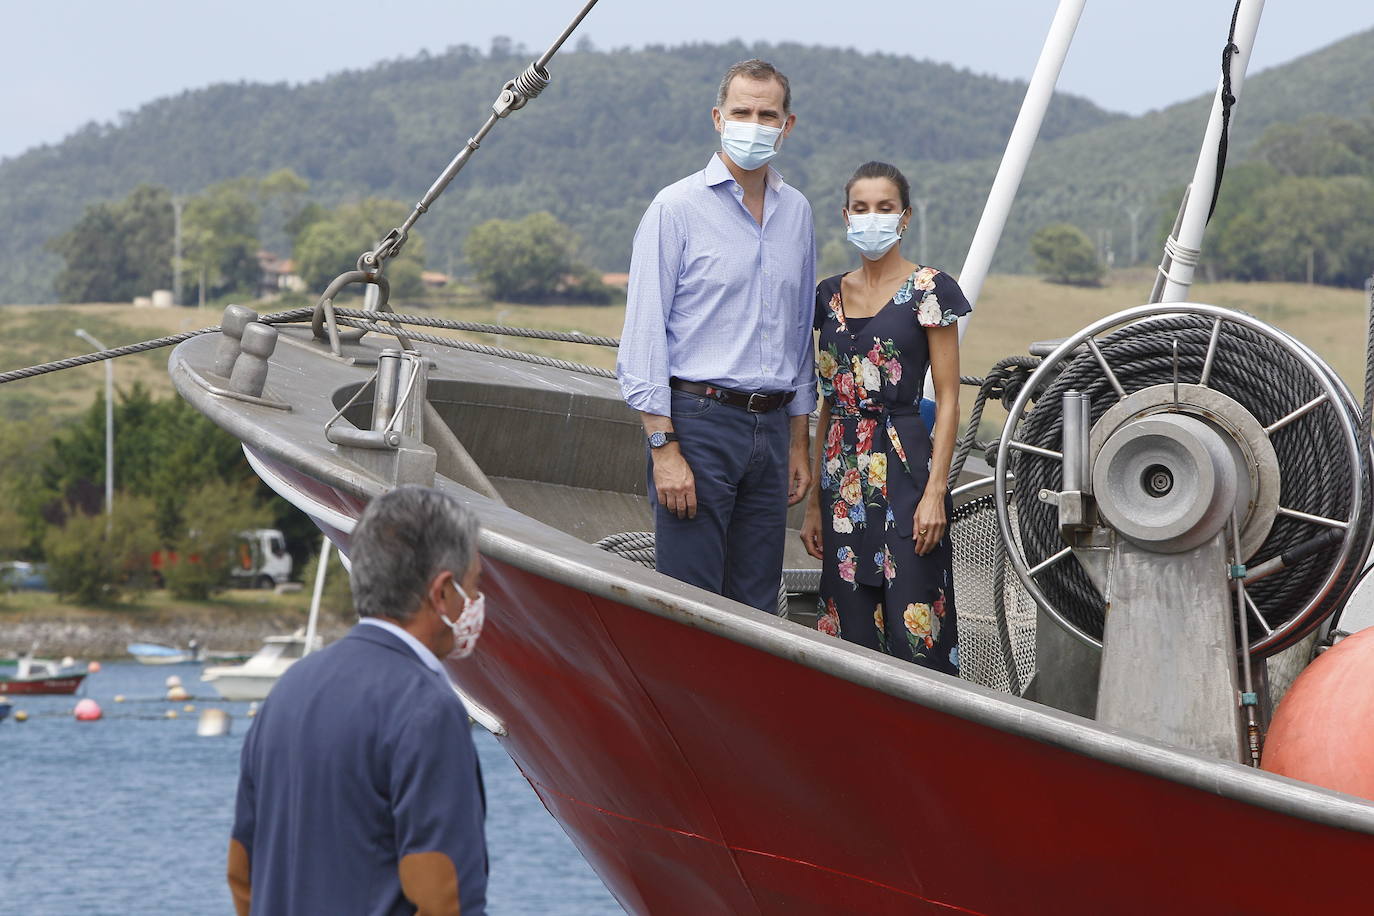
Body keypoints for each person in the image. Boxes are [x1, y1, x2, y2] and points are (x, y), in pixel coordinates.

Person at [229, 486, 489, 915]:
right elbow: (447, 897)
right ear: (442, 592)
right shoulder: (425, 707)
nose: (476, 604)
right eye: (473, 586)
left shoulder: (287, 692)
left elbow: (243, 870)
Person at [617, 59, 816, 614]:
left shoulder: (796, 213)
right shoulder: (675, 209)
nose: (755, 123)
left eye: (767, 114)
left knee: (756, 606)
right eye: (742, 112)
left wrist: (798, 442)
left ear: (787, 124)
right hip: (699, 423)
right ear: (718, 118)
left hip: (772, 431)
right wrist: (664, 448)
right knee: (691, 603)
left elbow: (799, 334)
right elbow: (643, 337)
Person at [801, 162, 971, 674]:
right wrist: (813, 504)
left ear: (905, 217)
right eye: (861, 208)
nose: (871, 218)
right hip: (842, 476)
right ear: (845, 215)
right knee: (849, 623)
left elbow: (947, 398)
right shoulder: (828, 296)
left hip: (905, 465)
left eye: (884, 208)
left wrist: (936, 491)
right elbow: (828, 398)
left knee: (916, 619)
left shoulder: (930, 289)